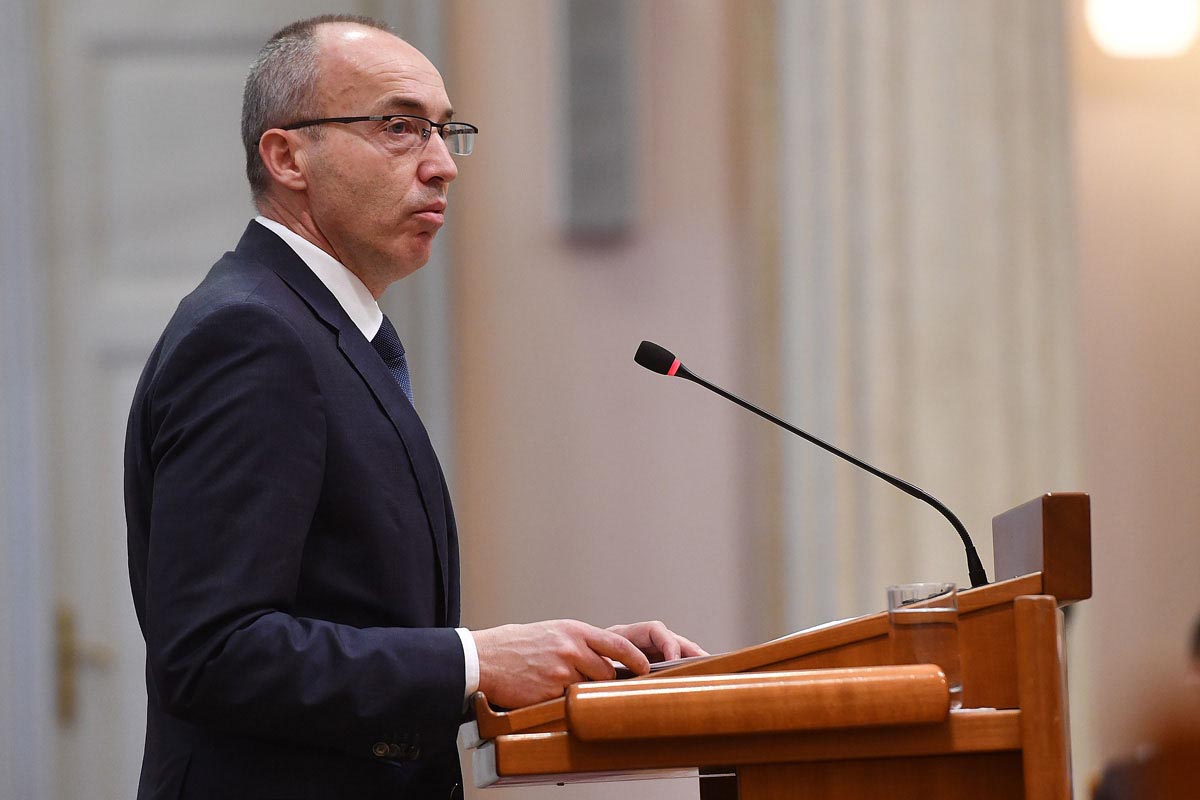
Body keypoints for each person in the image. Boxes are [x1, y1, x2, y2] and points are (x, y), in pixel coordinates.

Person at [124, 14, 703, 799]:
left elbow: (350, 615)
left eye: (444, 130)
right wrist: (475, 661)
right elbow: (214, 653)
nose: (442, 166)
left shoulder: (324, 333)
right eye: (398, 127)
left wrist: (556, 662)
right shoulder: (252, 336)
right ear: (287, 157)